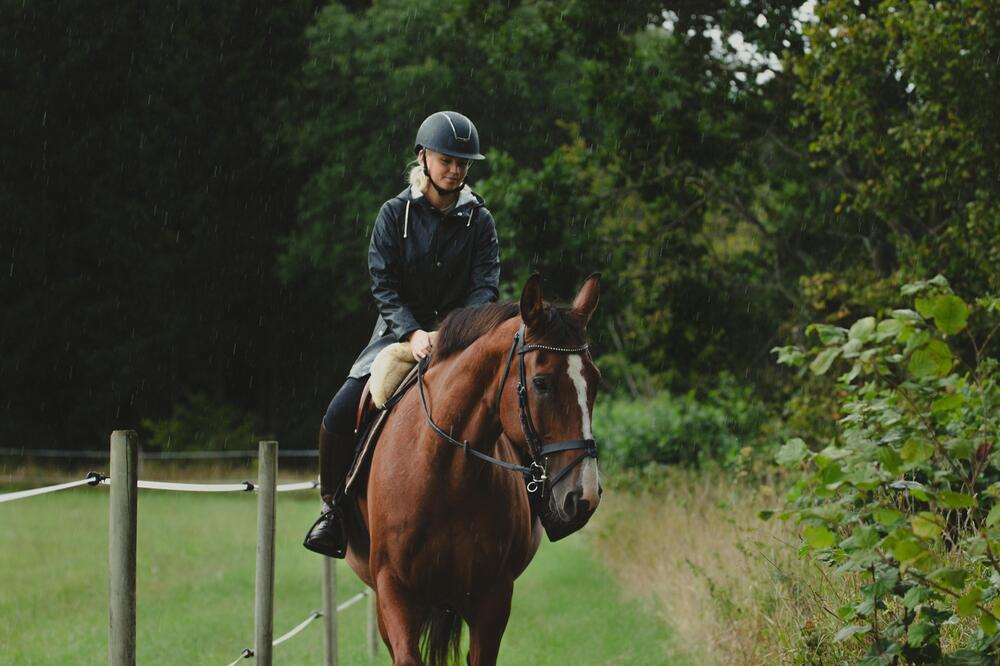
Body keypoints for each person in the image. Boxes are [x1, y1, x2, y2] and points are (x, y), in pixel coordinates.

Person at [304, 111, 501, 558]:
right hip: (396, 335)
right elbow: (383, 284)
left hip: (459, 340)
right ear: (423, 157)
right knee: (338, 412)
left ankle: (530, 502)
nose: (455, 169)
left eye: (463, 163)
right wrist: (412, 332)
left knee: (510, 401)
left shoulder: (481, 221)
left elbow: (485, 286)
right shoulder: (394, 214)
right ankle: (333, 511)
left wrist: (451, 332)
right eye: (447, 159)